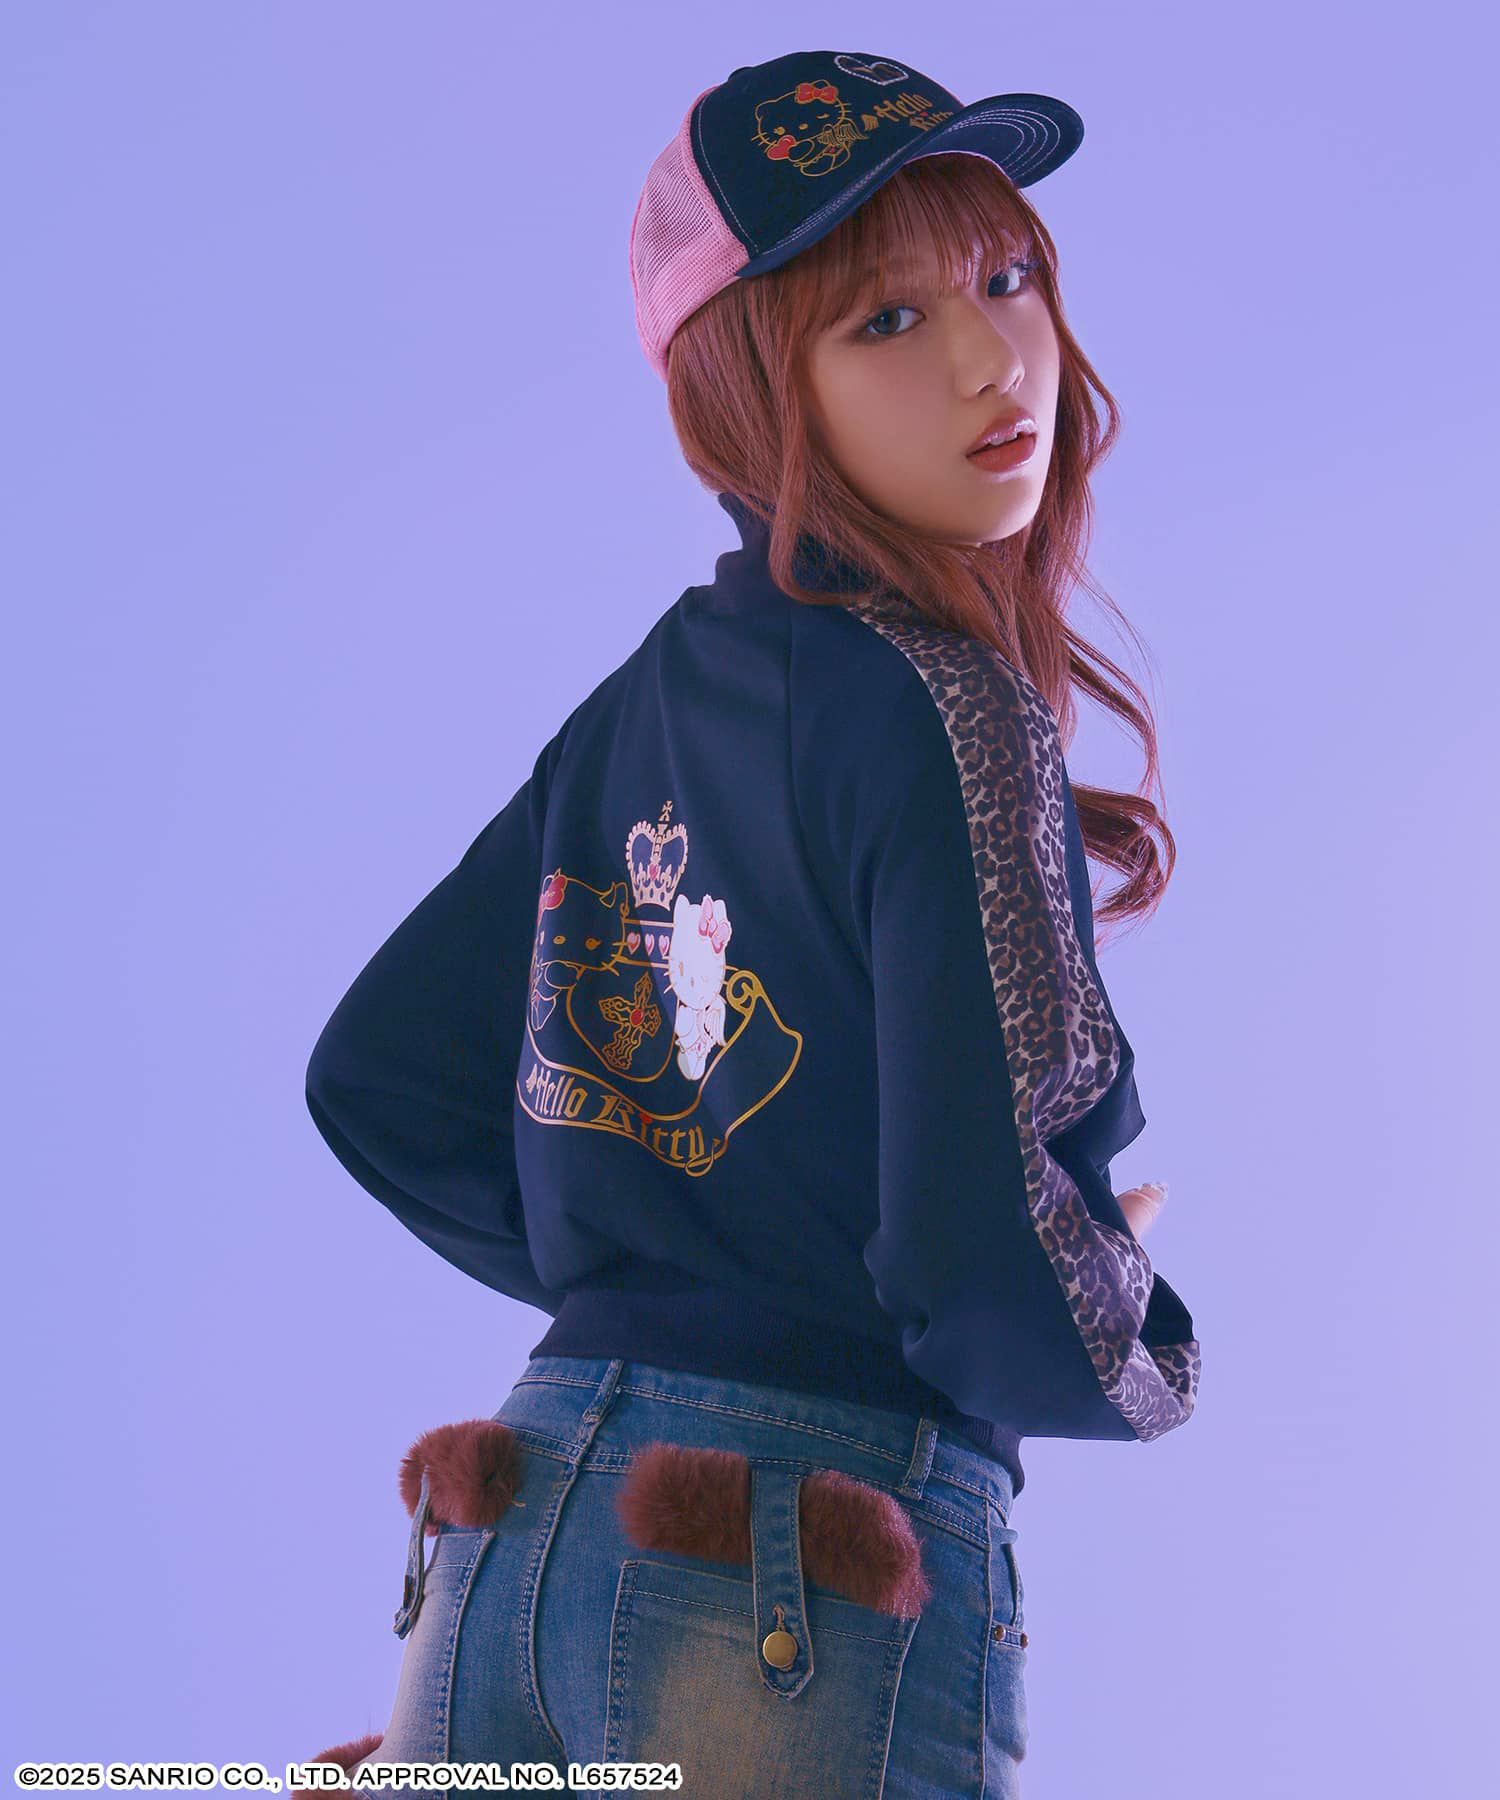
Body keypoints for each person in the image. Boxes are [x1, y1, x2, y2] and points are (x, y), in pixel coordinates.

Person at [303, 46, 1200, 1799]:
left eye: (1007, 276)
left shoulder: (646, 697)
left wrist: (672, 1274)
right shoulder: (952, 709)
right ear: (748, 398)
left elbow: (377, 1080)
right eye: (884, 321)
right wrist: (1134, 1329)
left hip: (519, 1517)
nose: (991, 358)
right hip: (790, 1560)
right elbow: (980, 1263)